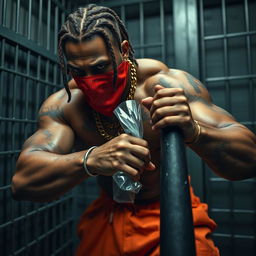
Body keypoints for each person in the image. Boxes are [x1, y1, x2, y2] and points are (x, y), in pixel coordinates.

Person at [11, 4, 256, 256]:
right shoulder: (66, 105)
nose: (89, 80)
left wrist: (194, 131)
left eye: (99, 67)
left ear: (124, 50)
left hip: (169, 208)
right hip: (109, 215)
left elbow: (249, 158)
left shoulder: (164, 85)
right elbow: (22, 183)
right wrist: (90, 159)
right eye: (77, 70)